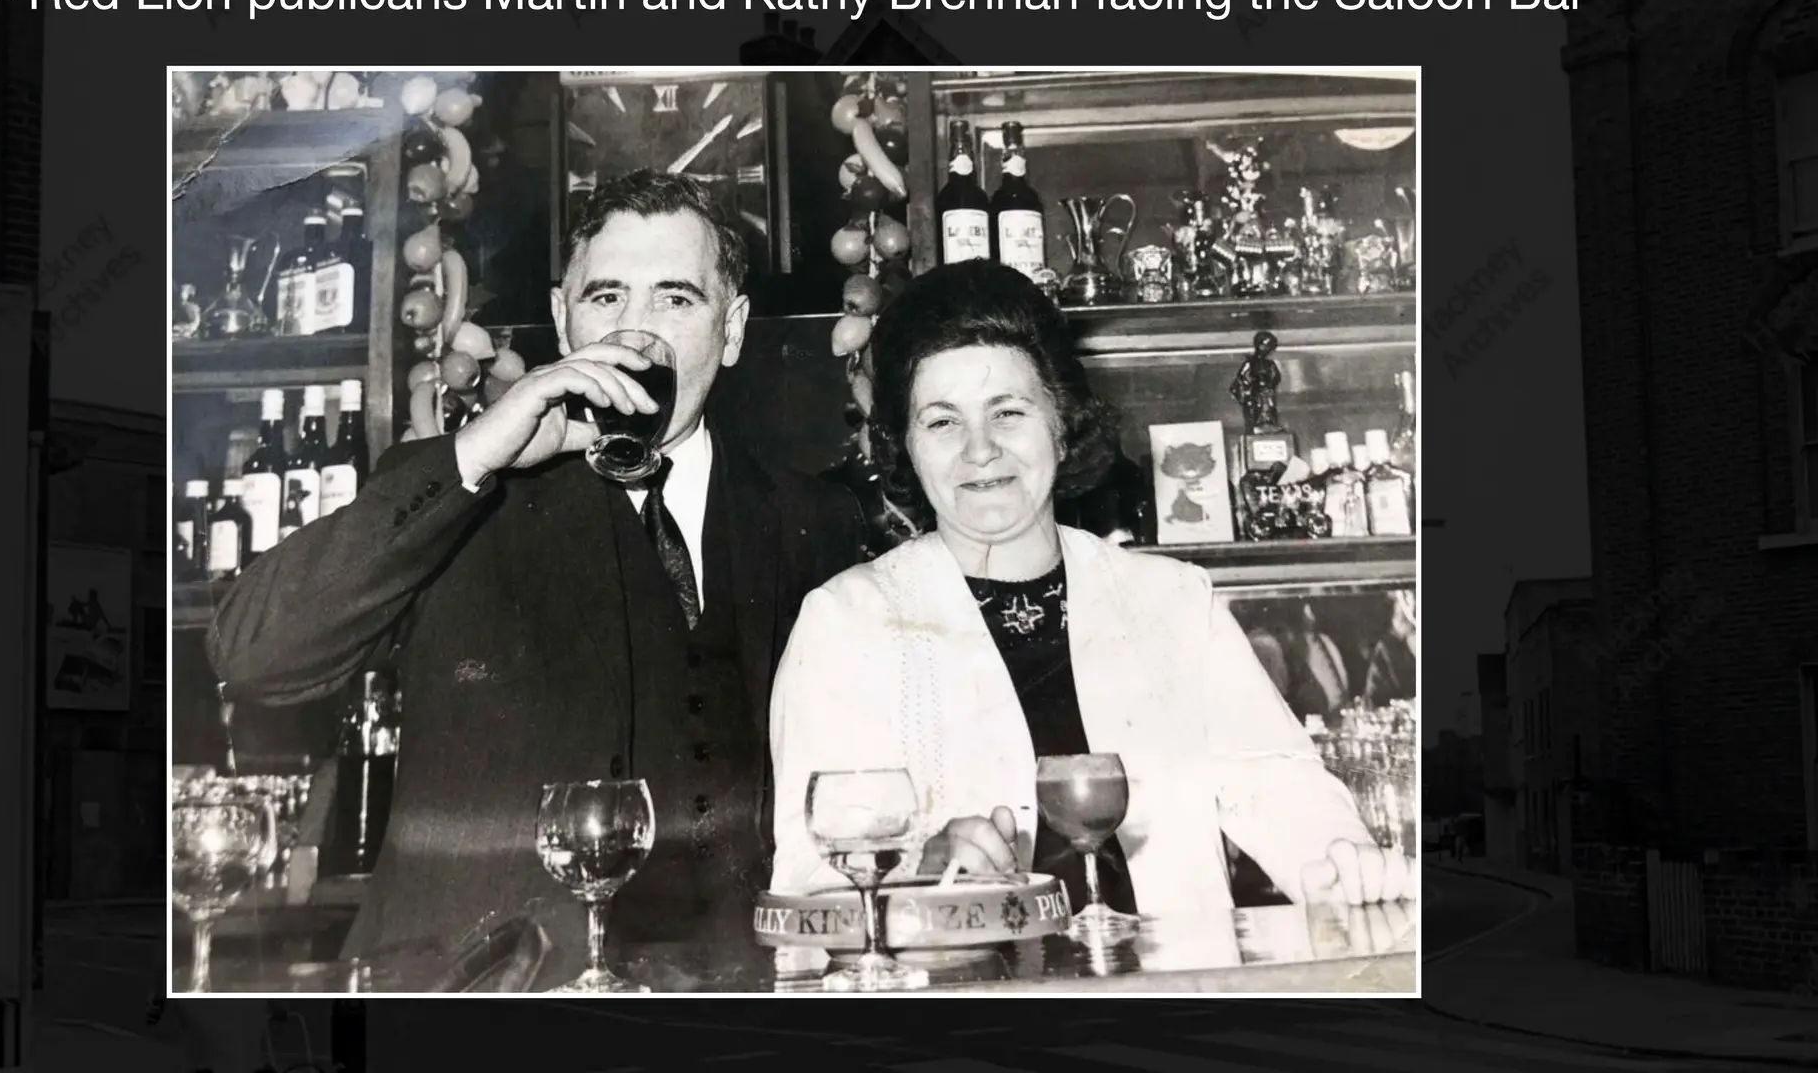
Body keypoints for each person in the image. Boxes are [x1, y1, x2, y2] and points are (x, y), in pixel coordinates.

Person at [209, 170, 866, 969]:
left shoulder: (816, 522)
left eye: (675, 300)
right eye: (606, 298)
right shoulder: (456, 488)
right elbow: (255, 658)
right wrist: (479, 450)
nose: (635, 333)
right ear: (562, 318)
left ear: (730, 331)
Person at [769, 260, 1414, 914]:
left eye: (1009, 412)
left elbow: (1282, 787)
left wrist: (1343, 866)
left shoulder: (1175, 601)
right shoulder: (845, 623)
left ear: (1062, 421)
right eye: (942, 422)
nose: (981, 449)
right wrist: (920, 877)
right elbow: (805, 884)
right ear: (904, 445)